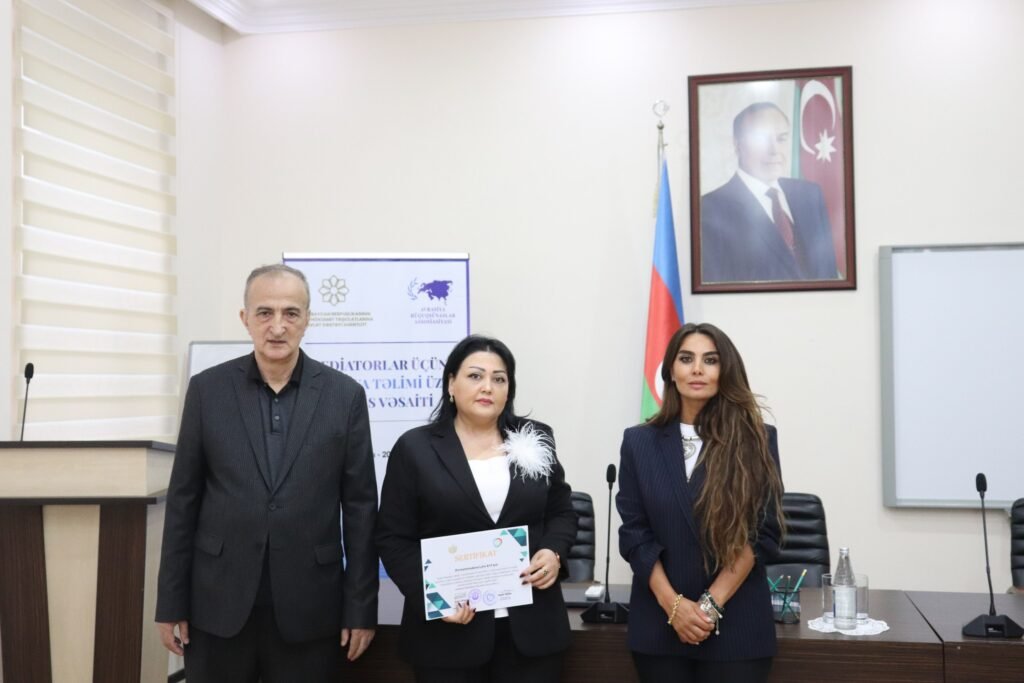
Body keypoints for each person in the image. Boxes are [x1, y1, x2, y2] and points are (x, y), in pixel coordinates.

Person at [155, 264, 379, 682]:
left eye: (291, 313)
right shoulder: (207, 391)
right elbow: (183, 501)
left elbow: (361, 509)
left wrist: (361, 608)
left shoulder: (344, 396)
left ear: (307, 319)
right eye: (264, 312)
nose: (277, 326)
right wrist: (171, 603)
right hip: (217, 603)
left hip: (311, 607)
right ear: (245, 318)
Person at [376, 334, 577, 683]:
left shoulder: (536, 437)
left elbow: (562, 511)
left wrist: (553, 551)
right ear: (451, 384)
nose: (488, 387)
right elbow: (392, 537)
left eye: (499, 379)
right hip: (448, 635)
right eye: (475, 376)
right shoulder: (415, 449)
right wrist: (433, 598)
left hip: (531, 630)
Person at [616, 322, 784, 682]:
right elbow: (634, 535)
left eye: (710, 360)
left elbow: (761, 532)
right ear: (670, 371)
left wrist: (708, 607)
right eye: (686, 359)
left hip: (736, 625)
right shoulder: (639, 442)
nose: (697, 369)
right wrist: (674, 606)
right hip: (659, 624)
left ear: (726, 370)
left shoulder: (756, 439)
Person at [700, 101, 838, 283]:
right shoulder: (709, 209)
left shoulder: (810, 195)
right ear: (737, 144)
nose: (774, 151)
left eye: (781, 139)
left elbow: (829, 273)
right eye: (761, 140)